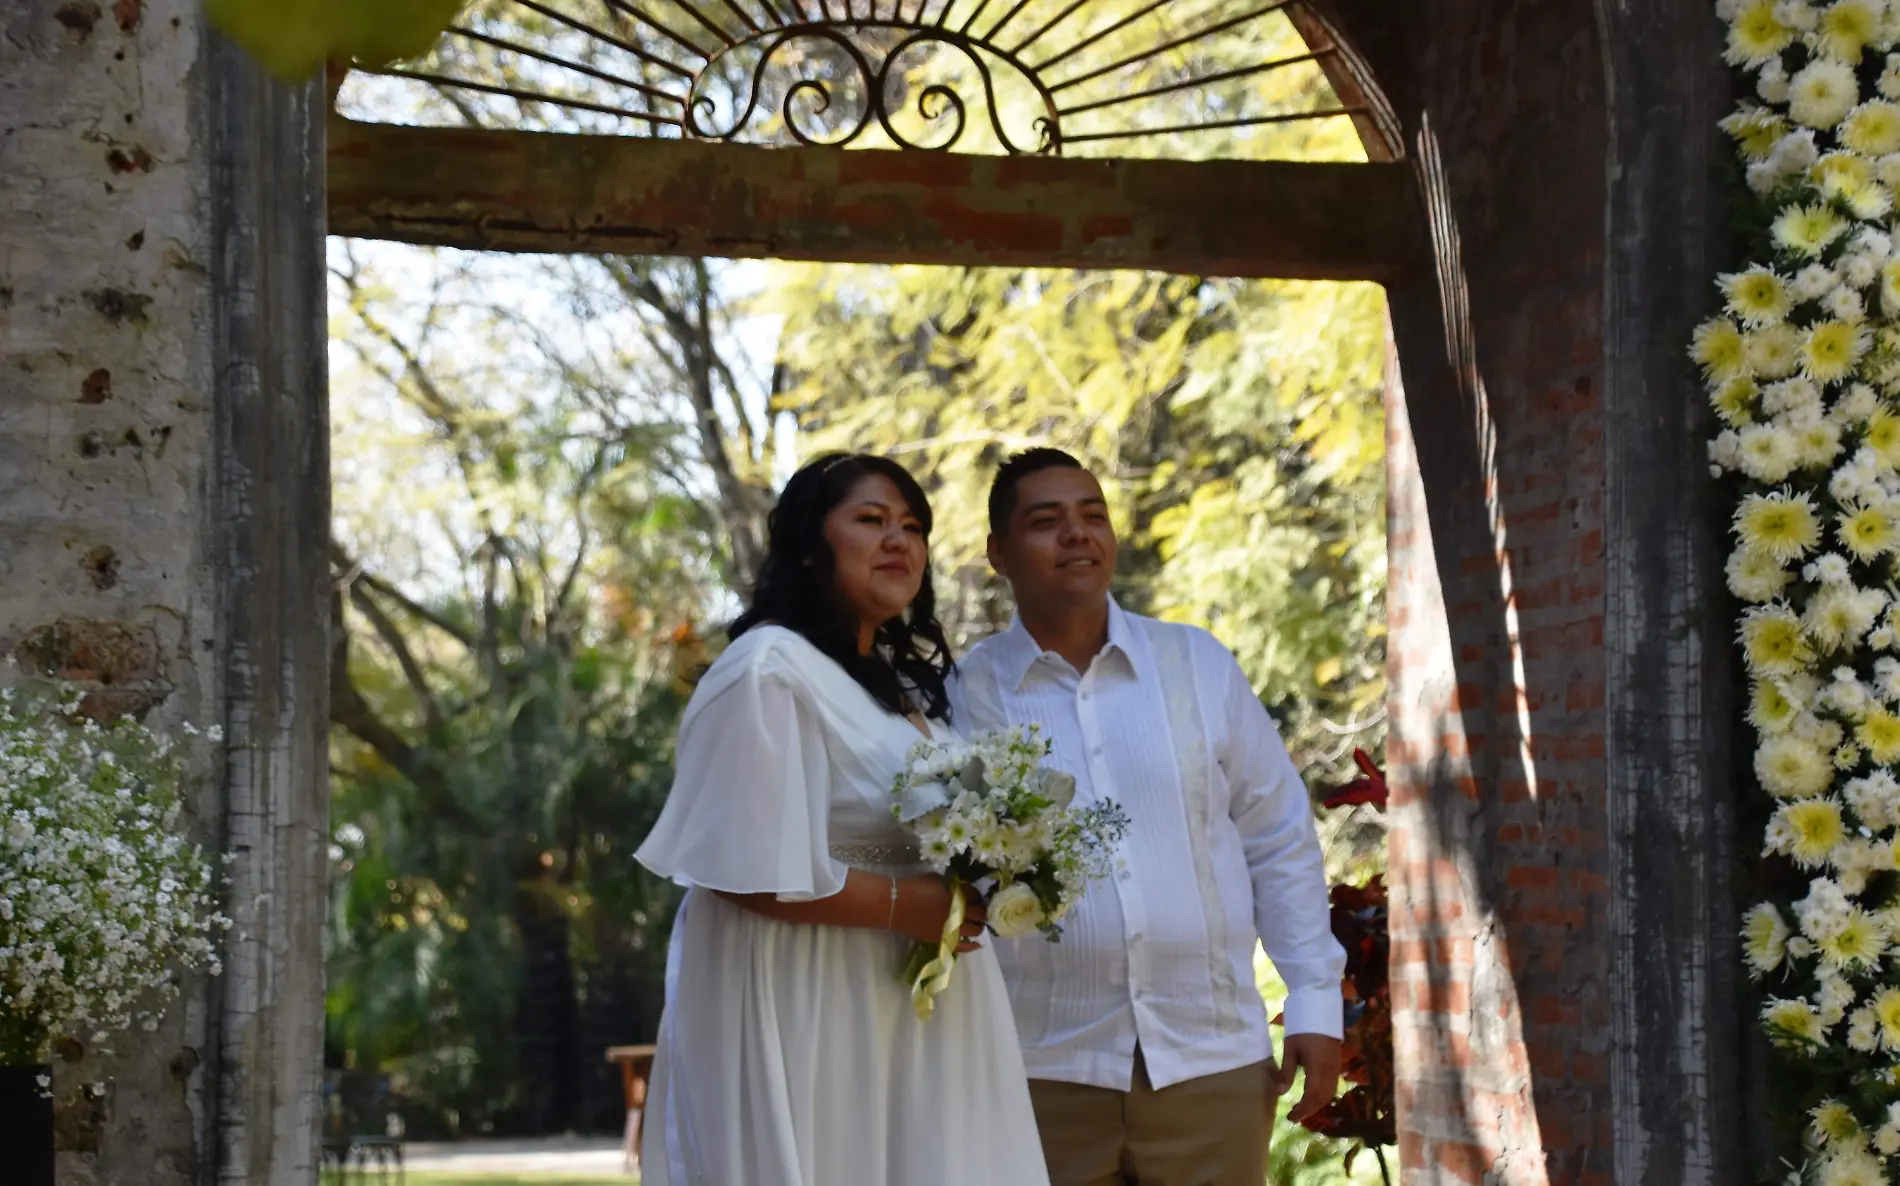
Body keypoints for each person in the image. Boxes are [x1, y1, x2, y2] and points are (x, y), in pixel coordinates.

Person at [634, 453, 1050, 1186]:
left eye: (913, 527)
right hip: (815, 1001)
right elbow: (739, 868)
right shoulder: (767, 669)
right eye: (871, 520)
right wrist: (905, 904)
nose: (900, 541)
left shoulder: (895, 688)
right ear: (806, 544)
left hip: (912, 1010)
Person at [950, 448, 1346, 1186]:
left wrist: (1315, 996)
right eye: (1047, 521)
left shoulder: (1197, 664)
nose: (1076, 534)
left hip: (1211, 1065)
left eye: (1092, 515)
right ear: (998, 553)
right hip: (1039, 1071)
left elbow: (1277, 834)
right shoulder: (962, 697)